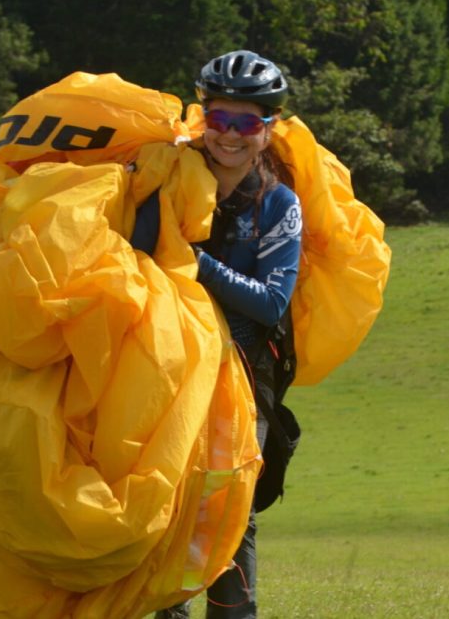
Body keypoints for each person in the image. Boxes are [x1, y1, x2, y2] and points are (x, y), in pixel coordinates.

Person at [132, 50, 302, 619]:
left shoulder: (278, 205)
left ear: (268, 130)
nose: (229, 136)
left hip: (243, 376)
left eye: (246, 123)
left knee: (229, 511)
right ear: (201, 120)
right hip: (167, 372)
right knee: (164, 505)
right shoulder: (168, 175)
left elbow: (272, 300)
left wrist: (197, 263)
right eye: (218, 120)